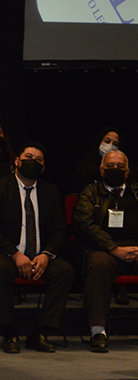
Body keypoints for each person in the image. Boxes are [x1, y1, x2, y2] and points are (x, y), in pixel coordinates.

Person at [0, 141, 75, 353]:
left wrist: (46, 255)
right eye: (28, 158)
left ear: (44, 168)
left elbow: (59, 231)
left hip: (39, 256)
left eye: (38, 160)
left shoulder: (50, 191)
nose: (33, 162)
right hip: (5, 253)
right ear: (17, 161)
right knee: (0, 270)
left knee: (65, 272)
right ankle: (9, 333)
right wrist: (14, 254)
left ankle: (40, 332)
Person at [72, 149, 138, 352]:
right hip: (104, 250)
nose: (115, 169)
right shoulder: (90, 193)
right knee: (98, 265)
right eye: (110, 166)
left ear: (127, 171)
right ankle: (98, 330)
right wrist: (114, 248)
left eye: (120, 166)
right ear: (101, 170)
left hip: (136, 249)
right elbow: (85, 225)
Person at [73, 128, 121, 194]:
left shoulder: (124, 170)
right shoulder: (84, 167)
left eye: (115, 144)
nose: (110, 146)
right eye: (107, 141)